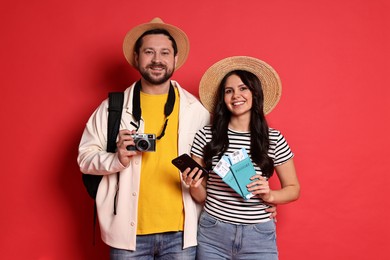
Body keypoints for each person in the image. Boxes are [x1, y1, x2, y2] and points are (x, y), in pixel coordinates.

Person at [77, 17, 211, 259]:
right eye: (149, 52)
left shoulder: (197, 110)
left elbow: (217, 166)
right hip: (128, 234)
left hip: (182, 233)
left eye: (164, 53)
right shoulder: (112, 108)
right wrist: (116, 159)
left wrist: (257, 204)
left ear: (175, 59)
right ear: (137, 58)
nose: (157, 60)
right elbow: (84, 159)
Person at [182, 56, 300, 259]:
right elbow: (202, 196)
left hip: (258, 235)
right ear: (223, 98)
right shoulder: (206, 135)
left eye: (243, 88)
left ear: (255, 93)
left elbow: (293, 189)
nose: (236, 95)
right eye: (229, 91)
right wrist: (193, 184)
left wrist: (270, 195)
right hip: (213, 232)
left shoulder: (274, 138)